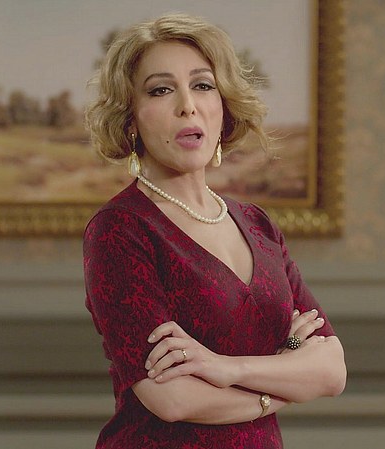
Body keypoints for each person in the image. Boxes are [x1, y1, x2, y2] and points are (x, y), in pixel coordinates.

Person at [83, 13, 346, 448]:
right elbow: (173, 398)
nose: (187, 105)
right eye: (161, 89)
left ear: (223, 107)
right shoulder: (120, 229)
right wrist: (283, 381)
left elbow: (332, 370)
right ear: (130, 118)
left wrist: (226, 368)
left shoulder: (257, 224)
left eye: (203, 85)